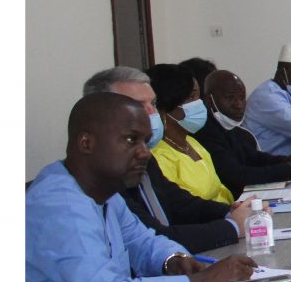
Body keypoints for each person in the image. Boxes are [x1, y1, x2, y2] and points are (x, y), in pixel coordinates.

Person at [26, 92, 257, 282]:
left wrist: (173, 260)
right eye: (131, 140)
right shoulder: (59, 206)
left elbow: (142, 240)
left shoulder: (105, 192)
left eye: (146, 142)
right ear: (86, 143)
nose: (145, 153)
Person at [83, 67, 253, 253]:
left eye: (153, 103)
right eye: (138, 105)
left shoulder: (143, 156)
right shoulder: (104, 176)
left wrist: (230, 211)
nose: (152, 113)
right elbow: (154, 237)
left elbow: (179, 202)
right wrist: (232, 227)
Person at [196, 69, 291, 198]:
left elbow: (255, 158)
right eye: (230, 98)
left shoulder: (235, 130)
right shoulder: (204, 132)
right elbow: (237, 176)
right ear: (210, 100)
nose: (239, 105)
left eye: (242, 97)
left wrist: (287, 160)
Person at [145, 63, 235, 205]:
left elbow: (219, 189)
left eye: (198, 96)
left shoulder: (192, 143)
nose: (199, 103)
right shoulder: (159, 155)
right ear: (167, 105)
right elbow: (183, 206)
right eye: (191, 97)